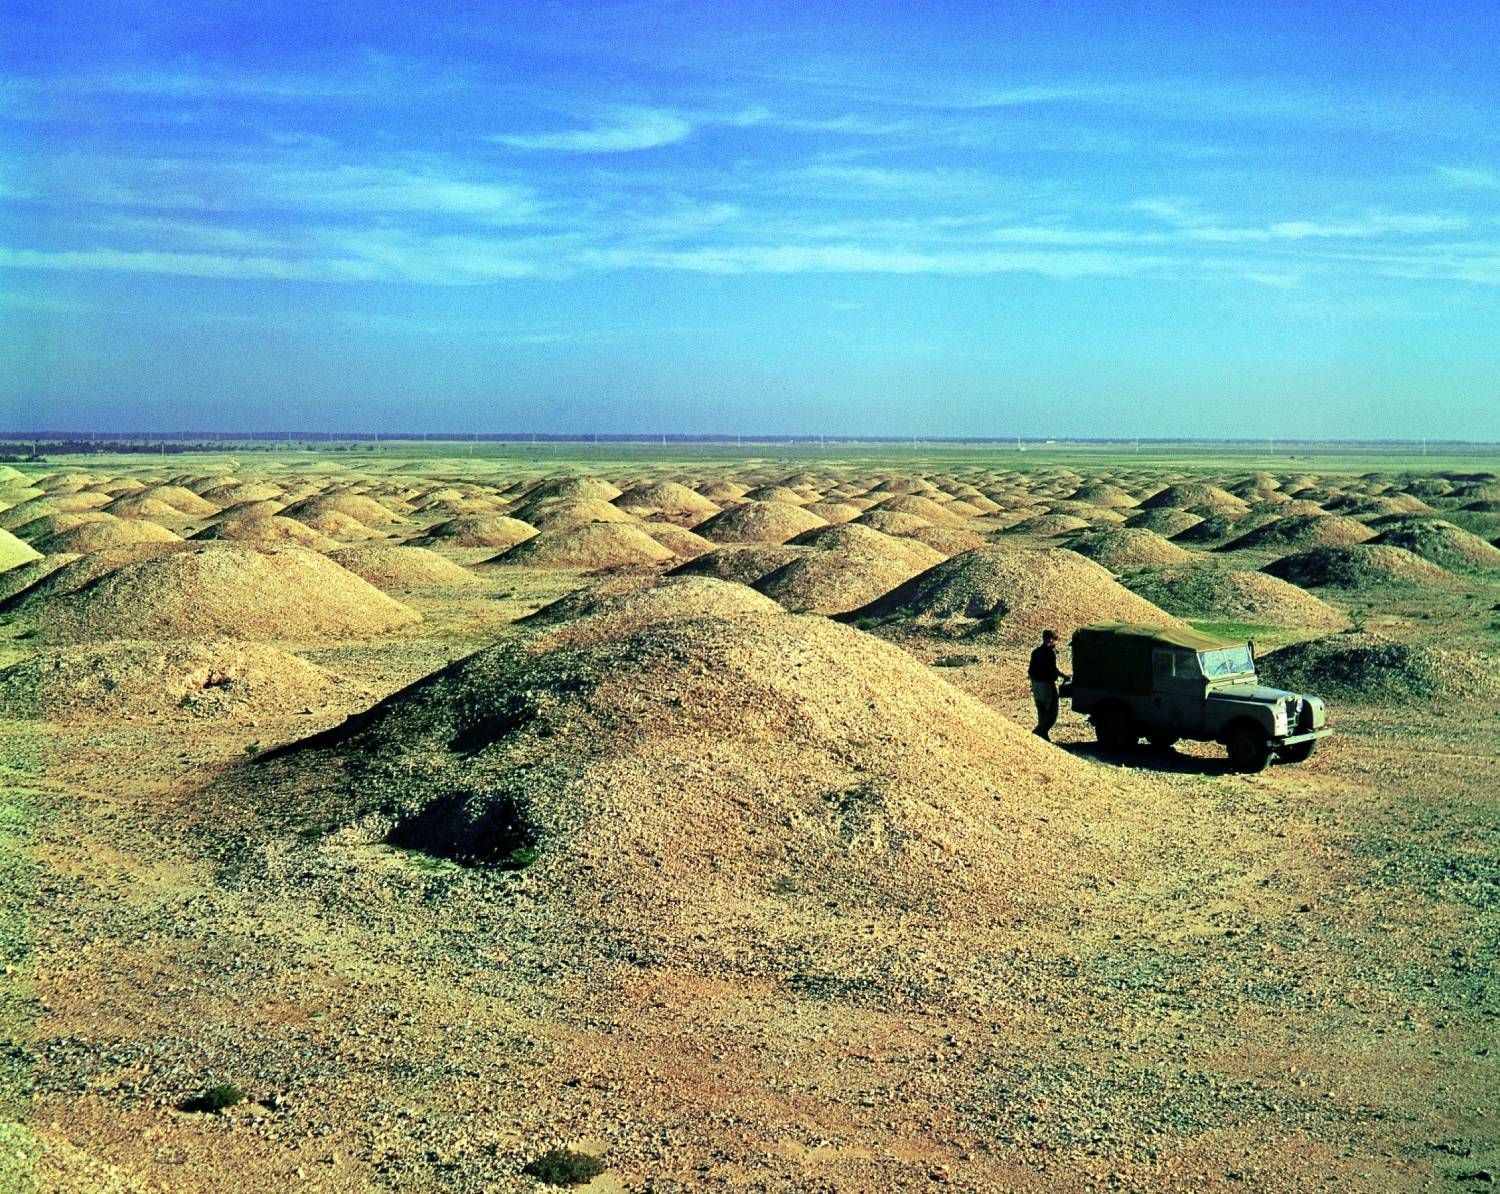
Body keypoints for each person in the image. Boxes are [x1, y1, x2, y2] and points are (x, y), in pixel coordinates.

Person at [1028, 629, 1069, 741]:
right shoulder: (1049, 653)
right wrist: (1064, 676)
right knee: (1052, 712)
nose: (1056, 643)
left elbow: (1030, 671)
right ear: (1051, 640)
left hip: (1036, 685)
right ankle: (1039, 732)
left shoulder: (1035, 652)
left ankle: (1043, 736)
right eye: (1056, 640)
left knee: (1041, 710)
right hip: (1046, 685)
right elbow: (1053, 670)